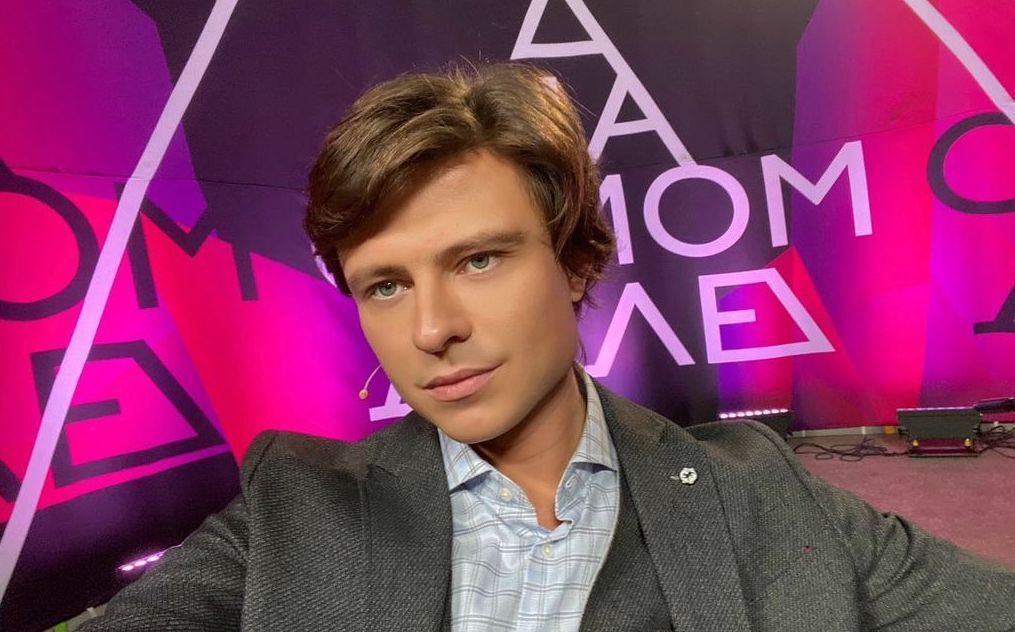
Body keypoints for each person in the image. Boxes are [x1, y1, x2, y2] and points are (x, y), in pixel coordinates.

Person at [81, 62, 1015, 632]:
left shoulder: (757, 486)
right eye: (386, 285)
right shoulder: (292, 502)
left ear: (574, 262)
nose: (431, 329)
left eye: (478, 259)